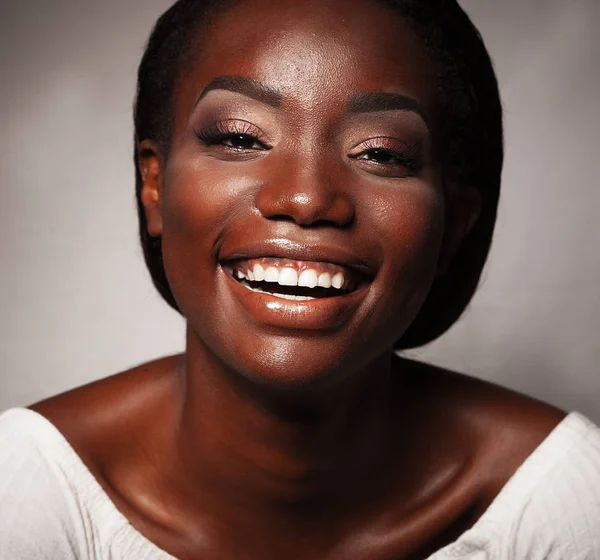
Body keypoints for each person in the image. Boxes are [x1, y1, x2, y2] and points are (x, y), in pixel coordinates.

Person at [1, 0, 599, 558]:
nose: (307, 198)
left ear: (454, 225)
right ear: (153, 187)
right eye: (239, 137)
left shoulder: (560, 496)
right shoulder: (29, 489)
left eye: (381, 153)